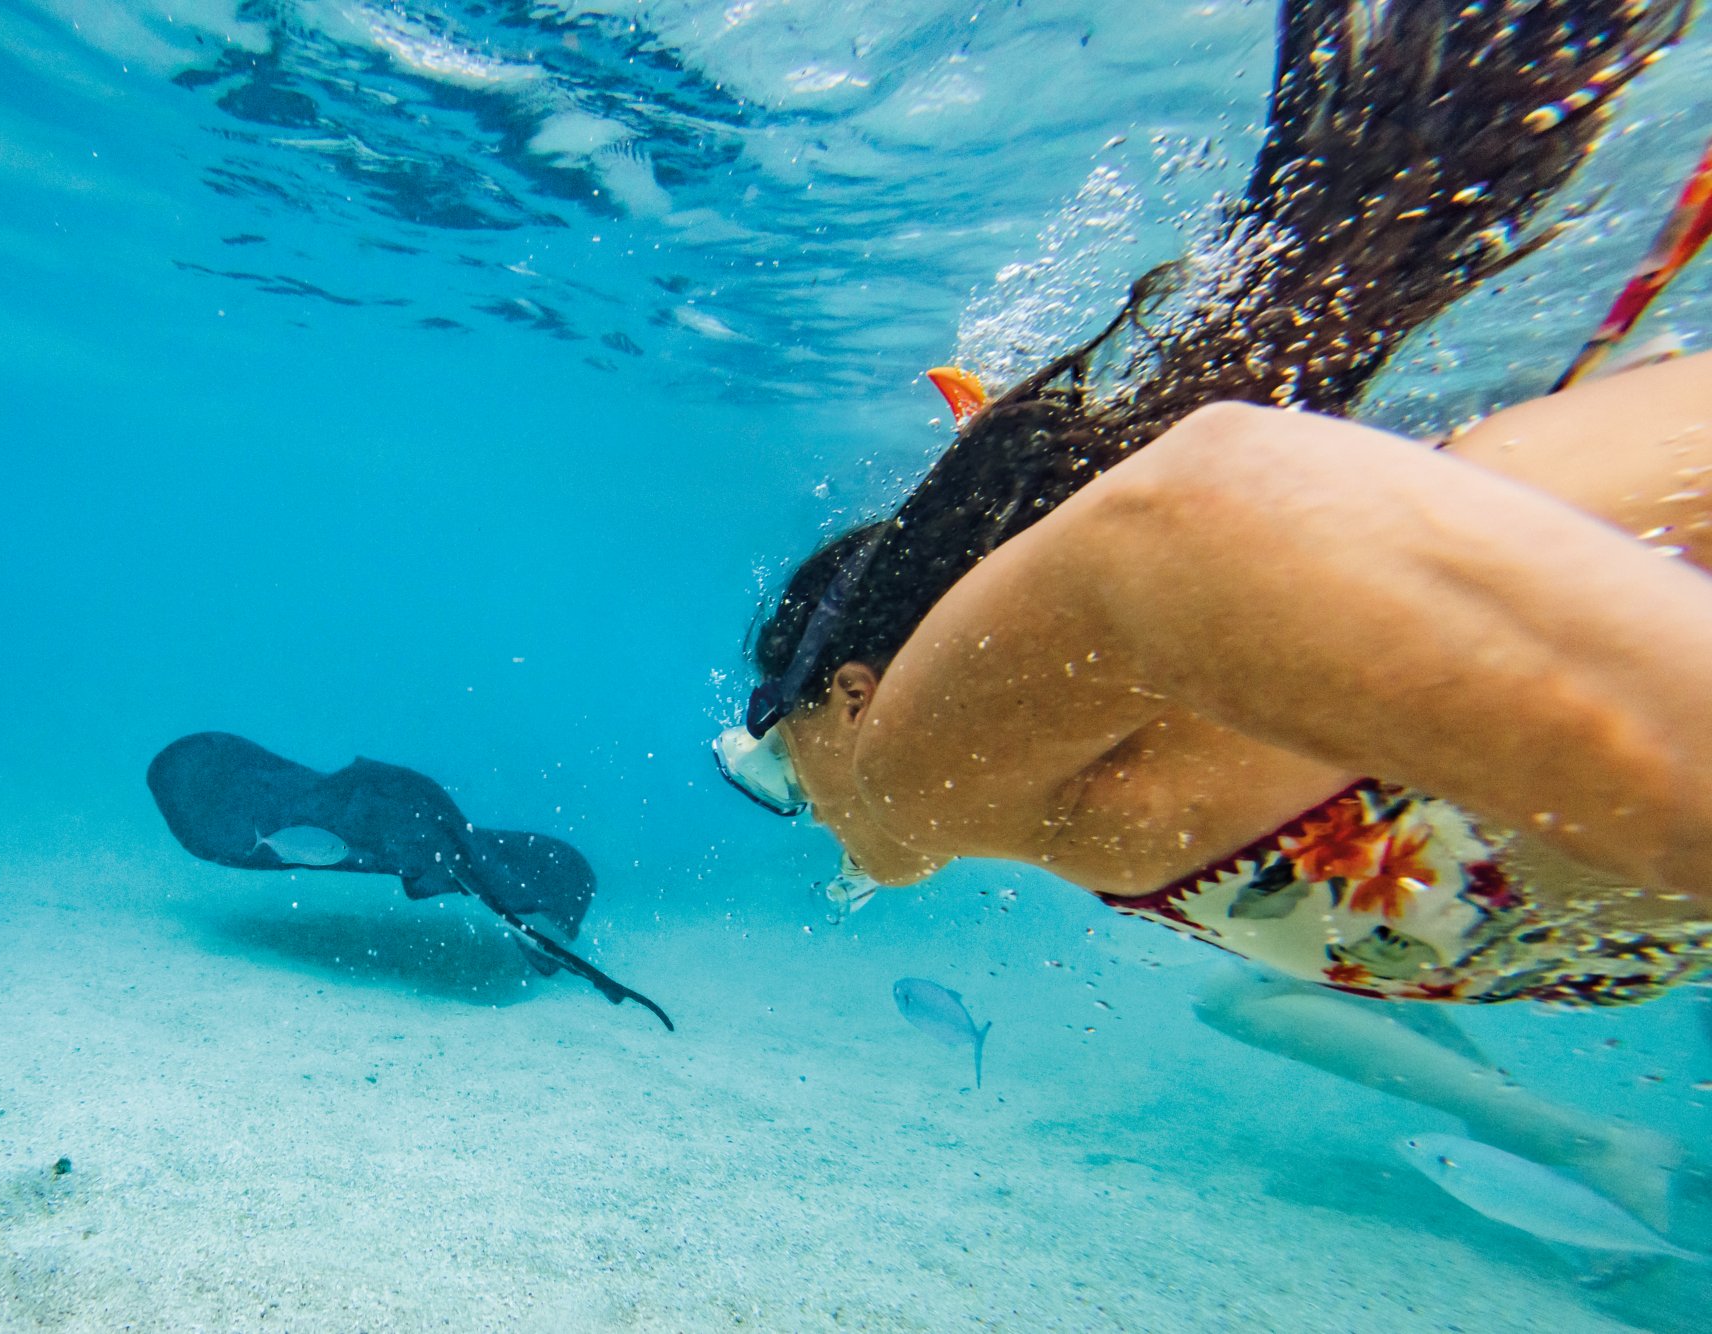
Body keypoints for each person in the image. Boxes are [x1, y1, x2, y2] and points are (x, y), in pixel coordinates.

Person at [715, 0, 1709, 1226]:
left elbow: (1193, 509)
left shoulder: (919, 764)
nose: (806, 810)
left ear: (854, 693)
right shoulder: (1196, 693)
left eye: (775, 759)